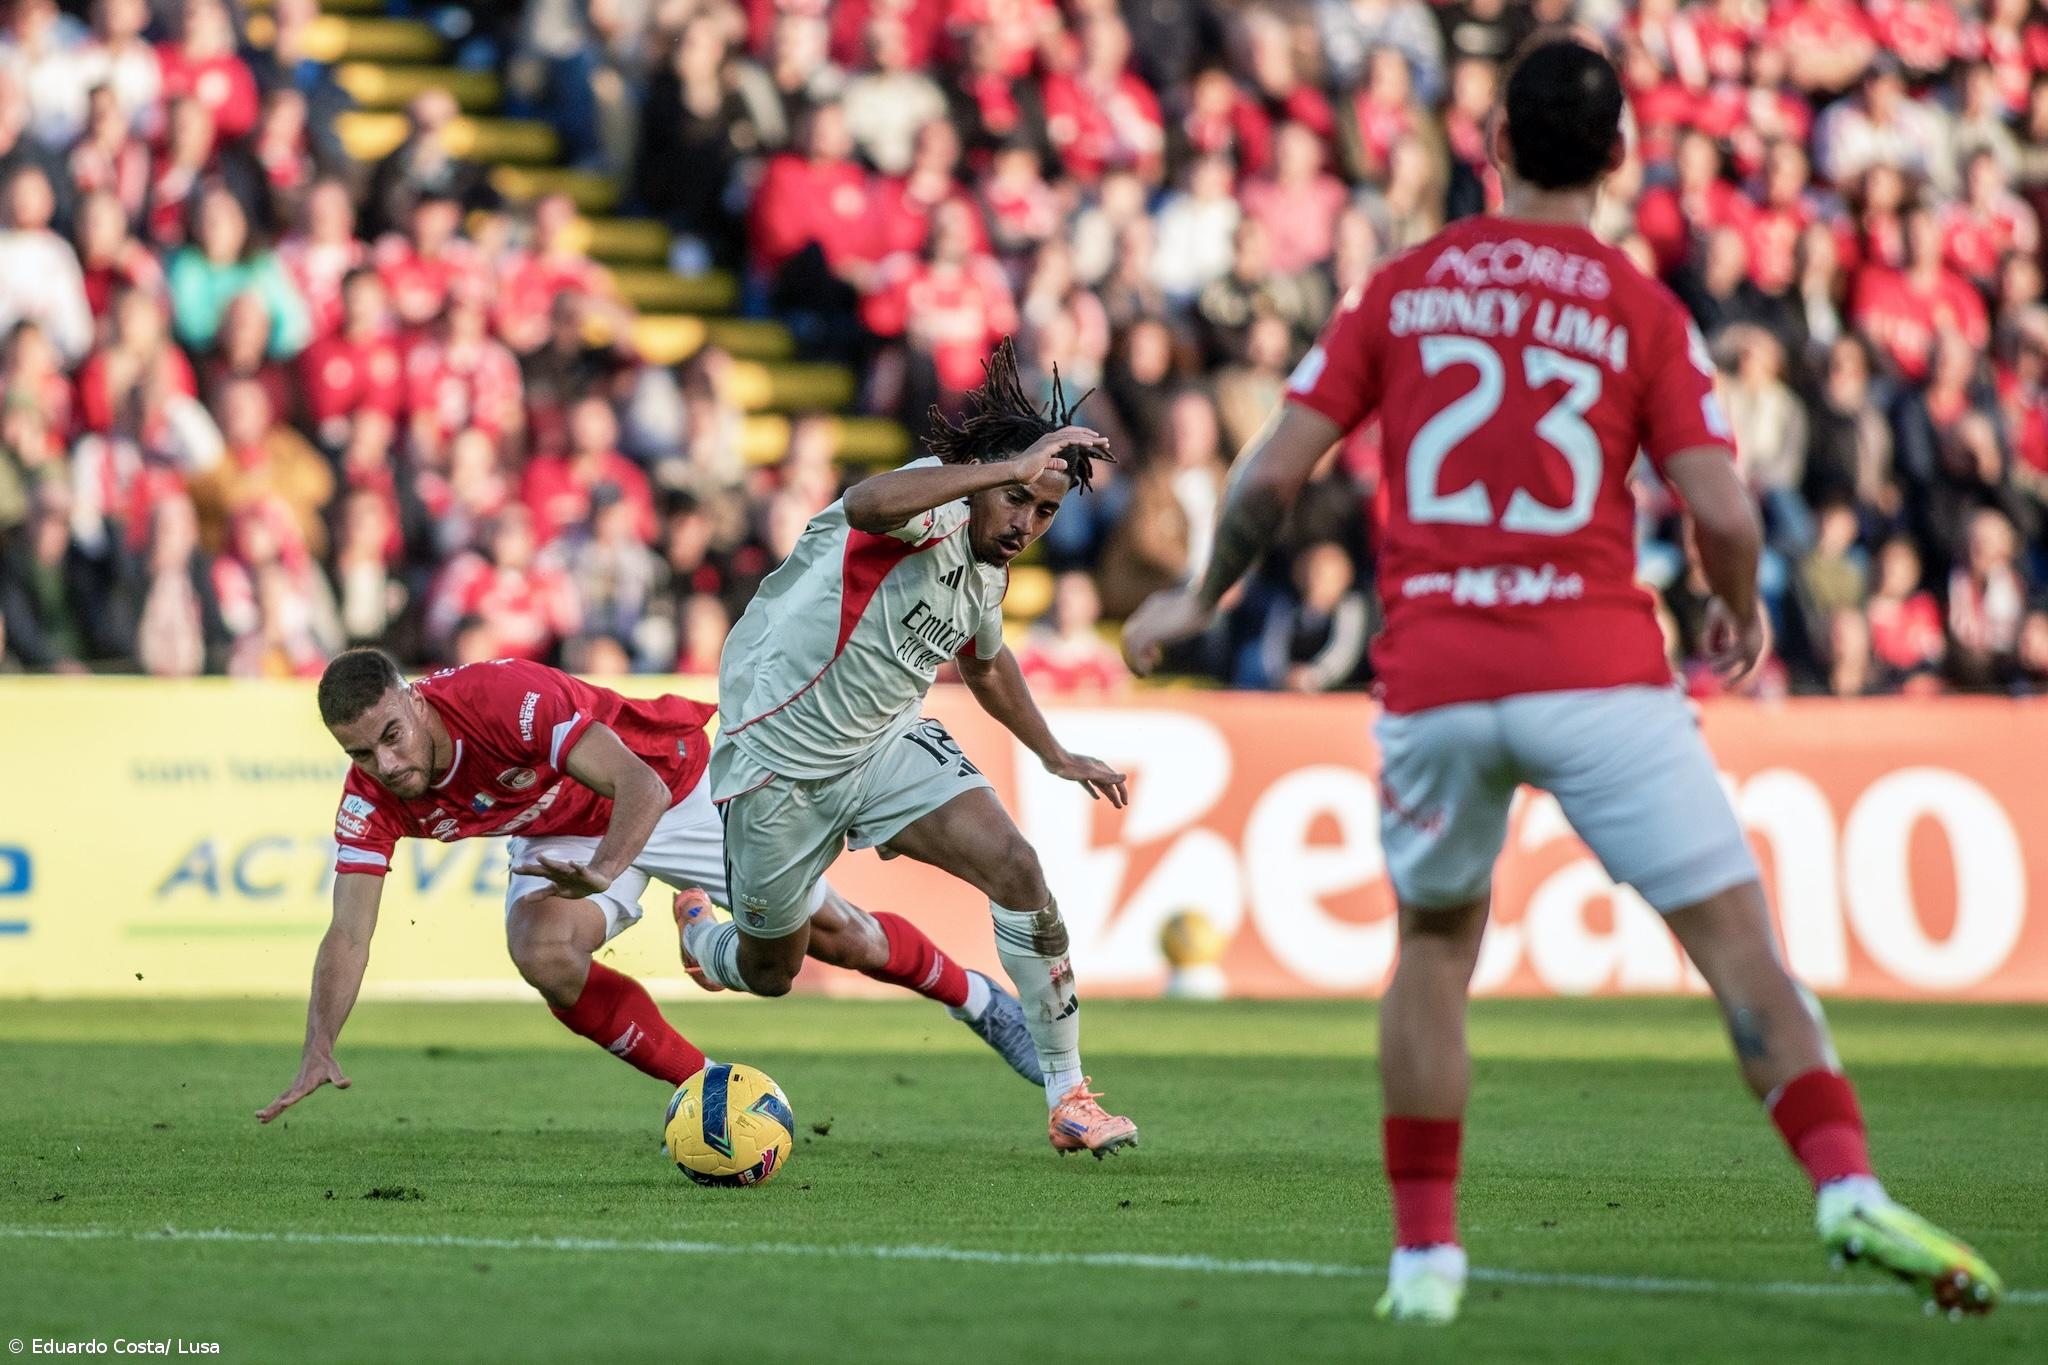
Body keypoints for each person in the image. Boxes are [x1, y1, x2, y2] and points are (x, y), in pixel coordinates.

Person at [1122, 38, 2001, 1323]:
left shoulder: (1400, 289)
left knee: (1433, 948)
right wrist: (1736, 605)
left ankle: (1425, 1263)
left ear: (1491, 147)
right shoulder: (1637, 307)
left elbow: (1268, 474)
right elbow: (1724, 510)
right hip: (1596, 670)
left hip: (1435, 673)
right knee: (1736, 947)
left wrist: (1198, 597)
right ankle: (1842, 1184)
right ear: (1618, 155)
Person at [680, 340, 1140, 1159]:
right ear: (982, 477)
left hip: (886, 746)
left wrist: (1054, 752)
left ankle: (1068, 1095)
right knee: (770, 971)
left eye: (1044, 512)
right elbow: (864, 502)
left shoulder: (990, 571)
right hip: (777, 764)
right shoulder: (930, 504)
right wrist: (999, 469)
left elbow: (986, 665)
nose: (1025, 524)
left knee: (1018, 869)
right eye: (1017, 499)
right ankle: (699, 938)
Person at [255, 648, 1043, 1125]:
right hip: (565, 831)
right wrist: (320, 1042)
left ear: (414, 698)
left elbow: (640, 786)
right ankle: (712, 1092)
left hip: (673, 786)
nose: (387, 764)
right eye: (361, 754)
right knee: (541, 951)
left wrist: (603, 870)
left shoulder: (498, 699)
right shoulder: (372, 797)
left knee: (839, 942)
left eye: (391, 736)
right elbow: (349, 931)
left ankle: (976, 997)